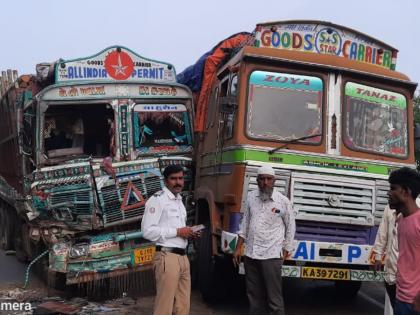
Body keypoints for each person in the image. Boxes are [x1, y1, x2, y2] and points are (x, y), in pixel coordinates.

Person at [233, 165, 296, 315]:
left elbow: (290, 227)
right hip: (251, 255)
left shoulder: (283, 201)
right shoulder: (251, 198)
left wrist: (287, 249)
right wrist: (237, 248)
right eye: (262, 179)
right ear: (257, 181)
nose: (265, 182)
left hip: (271, 256)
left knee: (274, 299)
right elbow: (245, 225)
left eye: (269, 179)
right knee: (254, 297)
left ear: (274, 181)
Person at [141, 164, 199, 315]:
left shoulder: (179, 200)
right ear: (165, 181)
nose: (178, 182)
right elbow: (147, 231)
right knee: (164, 307)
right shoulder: (158, 199)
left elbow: (178, 230)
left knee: (183, 306)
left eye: (180, 178)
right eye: (173, 179)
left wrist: (189, 232)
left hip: (183, 257)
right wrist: (178, 231)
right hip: (167, 257)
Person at [387, 167, 420, 315]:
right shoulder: (400, 220)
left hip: (416, 302)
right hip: (401, 298)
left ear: (406, 192)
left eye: (393, 189)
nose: (388, 193)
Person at [372, 205, 400, 310]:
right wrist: (378, 256)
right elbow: (382, 234)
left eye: (393, 189)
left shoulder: (417, 208)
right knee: (391, 306)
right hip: (391, 268)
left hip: (410, 274)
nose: (389, 193)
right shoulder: (389, 209)